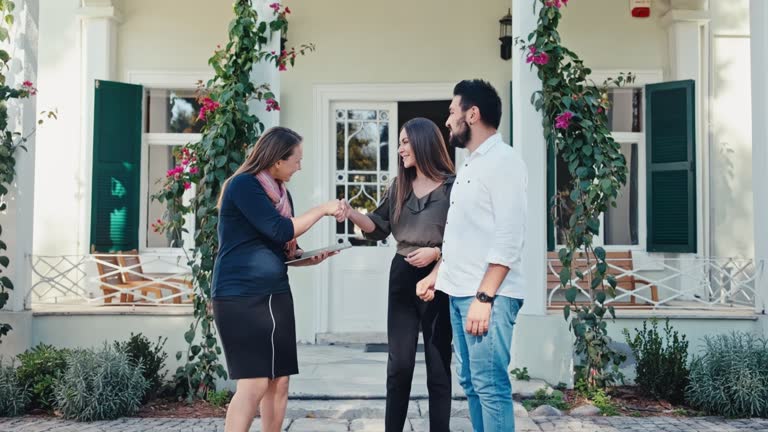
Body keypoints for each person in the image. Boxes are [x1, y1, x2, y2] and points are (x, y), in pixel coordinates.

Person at [212, 126, 343, 432]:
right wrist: (323, 209)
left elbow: (286, 249)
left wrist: (308, 258)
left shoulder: (282, 194)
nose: (300, 166)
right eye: (296, 160)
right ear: (276, 161)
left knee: (280, 381)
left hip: (275, 295)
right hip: (240, 297)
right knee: (255, 382)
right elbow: (281, 230)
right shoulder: (244, 186)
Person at [417, 80, 528, 432]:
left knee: (491, 388)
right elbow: (460, 232)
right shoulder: (469, 165)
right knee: (473, 386)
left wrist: (484, 296)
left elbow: (510, 236)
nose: (447, 121)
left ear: (473, 114)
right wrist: (438, 274)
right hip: (459, 292)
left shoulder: (504, 161)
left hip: (486, 297)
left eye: (452, 112)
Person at [341, 118, 455, 432]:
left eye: (405, 142)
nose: (400, 148)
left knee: (438, 365)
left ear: (423, 143)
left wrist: (437, 253)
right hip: (403, 275)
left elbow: (464, 237)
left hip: (439, 278)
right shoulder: (399, 185)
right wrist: (352, 213)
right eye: (400, 142)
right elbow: (378, 228)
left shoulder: (452, 186)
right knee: (399, 364)